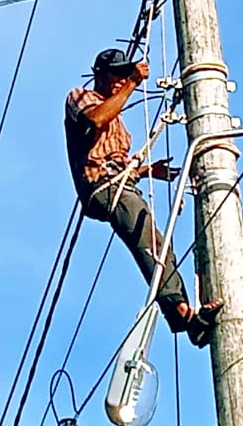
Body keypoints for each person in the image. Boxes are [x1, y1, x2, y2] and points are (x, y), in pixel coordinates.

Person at [64, 48, 223, 348]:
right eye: (116, 74)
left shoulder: (117, 117)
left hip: (121, 183)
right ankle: (184, 317)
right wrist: (133, 82)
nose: (120, 80)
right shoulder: (81, 97)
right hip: (102, 186)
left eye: (125, 74)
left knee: (159, 245)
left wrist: (150, 170)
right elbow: (97, 120)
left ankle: (185, 314)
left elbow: (118, 158)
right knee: (152, 245)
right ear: (100, 73)